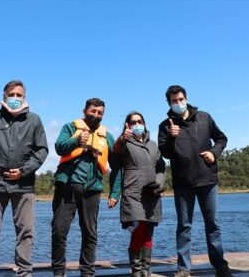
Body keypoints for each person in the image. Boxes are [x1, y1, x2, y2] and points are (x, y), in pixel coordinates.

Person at [0, 80, 48, 277]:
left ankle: (24, 272)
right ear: (4, 97)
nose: (15, 98)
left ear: (25, 98)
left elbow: (42, 150)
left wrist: (24, 171)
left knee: (26, 231)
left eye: (19, 95)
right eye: (11, 95)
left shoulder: (34, 120)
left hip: (24, 185)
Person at [158, 85, 232, 277]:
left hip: (208, 180)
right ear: (169, 103)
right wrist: (172, 138)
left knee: (213, 225)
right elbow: (165, 152)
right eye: (174, 101)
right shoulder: (165, 126)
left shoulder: (204, 117)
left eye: (181, 99)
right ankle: (183, 269)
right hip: (183, 184)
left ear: (186, 98)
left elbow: (221, 138)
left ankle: (220, 266)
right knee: (184, 226)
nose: (178, 103)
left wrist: (213, 153)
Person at [51, 98, 121, 277]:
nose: (96, 115)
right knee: (59, 231)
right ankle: (59, 272)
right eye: (93, 111)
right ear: (84, 111)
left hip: (92, 189)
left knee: (90, 233)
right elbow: (59, 147)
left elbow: (117, 166)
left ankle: (87, 272)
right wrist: (76, 141)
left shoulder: (107, 136)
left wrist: (114, 192)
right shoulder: (70, 128)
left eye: (100, 113)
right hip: (66, 186)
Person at [114, 112, 165, 277]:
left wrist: (159, 182)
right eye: (133, 122)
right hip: (133, 194)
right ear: (127, 125)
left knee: (148, 233)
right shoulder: (125, 142)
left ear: (144, 123)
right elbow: (116, 150)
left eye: (139, 121)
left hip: (152, 195)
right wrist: (122, 138)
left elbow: (161, 167)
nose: (137, 124)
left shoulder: (153, 145)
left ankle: (146, 270)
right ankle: (136, 272)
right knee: (137, 231)